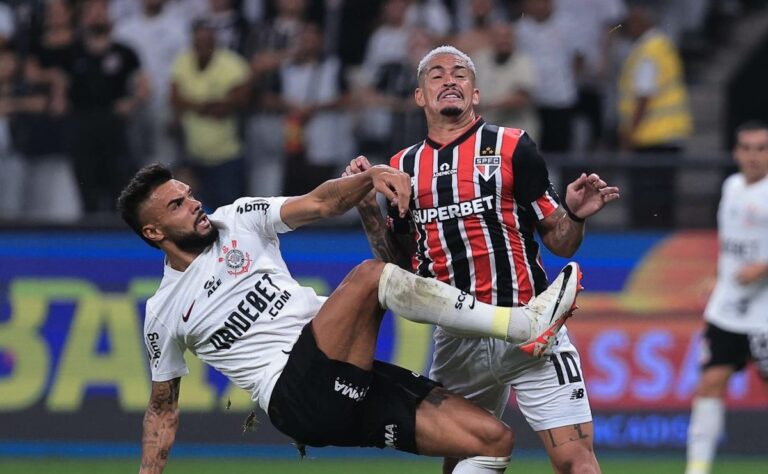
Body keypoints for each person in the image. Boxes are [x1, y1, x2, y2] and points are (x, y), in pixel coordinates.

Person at [119, 163, 584, 473]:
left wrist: (371, 178)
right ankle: (520, 325)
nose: (194, 203)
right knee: (369, 278)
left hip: (343, 382)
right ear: (154, 231)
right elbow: (163, 408)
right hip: (294, 394)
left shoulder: (237, 219)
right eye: (177, 205)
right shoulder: (163, 312)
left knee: (490, 438)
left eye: (188, 194)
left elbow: (321, 202)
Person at [345, 45, 620, 474]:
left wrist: (576, 217)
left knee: (575, 463)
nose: (449, 80)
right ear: (420, 96)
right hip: (457, 339)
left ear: (475, 93)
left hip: (531, 328)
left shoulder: (513, 147)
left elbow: (561, 243)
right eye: (436, 75)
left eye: (460, 74)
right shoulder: (402, 167)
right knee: (465, 460)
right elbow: (401, 266)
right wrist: (367, 210)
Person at [685, 121, 768, 474]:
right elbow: (729, 242)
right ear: (736, 152)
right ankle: (698, 469)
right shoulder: (731, 186)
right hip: (728, 308)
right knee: (710, 383)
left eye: (762, 148)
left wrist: (761, 268)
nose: (753, 155)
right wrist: (718, 276)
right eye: (746, 148)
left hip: (765, 313)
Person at [617, 5, 692, 228]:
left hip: (651, 136)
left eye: (630, 23)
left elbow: (643, 95)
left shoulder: (648, 50)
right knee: (663, 195)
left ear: (642, 21)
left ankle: (648, 236)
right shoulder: (662, 44)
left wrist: (629, 135)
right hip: (668, 134)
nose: (627, 28)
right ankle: (661, 231)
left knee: (649, 198)